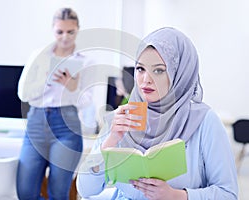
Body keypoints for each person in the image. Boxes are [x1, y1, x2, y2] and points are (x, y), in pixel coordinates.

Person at [76, 27, 238, 200]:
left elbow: (228, 194)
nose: (146, 79)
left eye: (159, 70)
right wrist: (109, 142)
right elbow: (85, 190)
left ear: (179, 73)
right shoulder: (123, 117)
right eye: (140, 69)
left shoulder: (205, 121)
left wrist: (176, 196)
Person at [17, 7, 94, 200]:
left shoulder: (86, 61)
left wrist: (72, 87)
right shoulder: (39, 56)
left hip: (66, 126)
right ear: (53, 29)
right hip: (36, 123)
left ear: (78, 29)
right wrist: (46, 79)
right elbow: (23, 94)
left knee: (59, 193)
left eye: (70, 32)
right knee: (25, 192)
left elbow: (87, 100)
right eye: (60, 31)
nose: (65, 37)